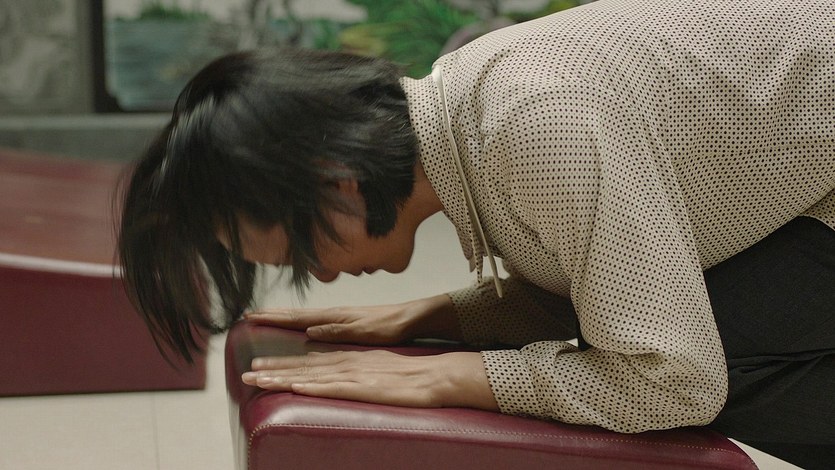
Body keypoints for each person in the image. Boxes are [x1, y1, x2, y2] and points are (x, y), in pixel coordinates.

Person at [117, 0, 835, 467]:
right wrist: (452, 317)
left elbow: (675, 379)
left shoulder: (533, 123)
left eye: (308, 255)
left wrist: (462, 375)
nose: (326, 277)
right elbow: (603, 275)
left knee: (708, 341)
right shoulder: (473, 110)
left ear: (337, 182)